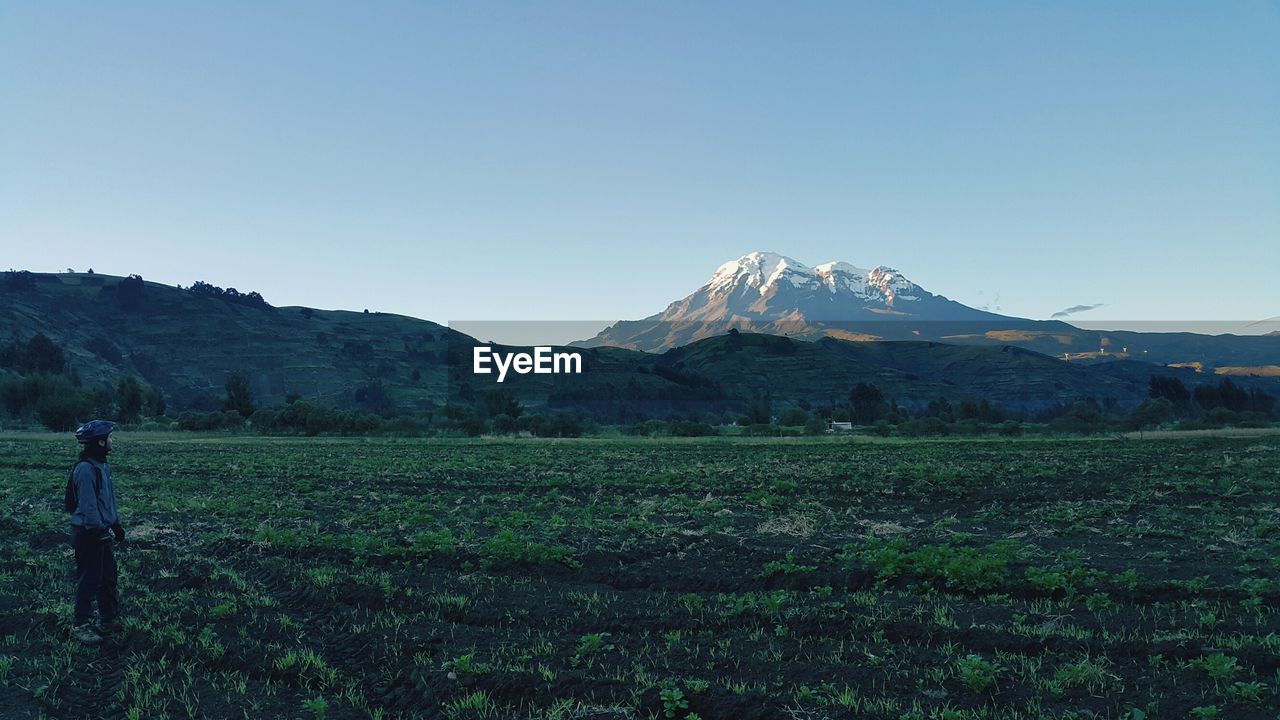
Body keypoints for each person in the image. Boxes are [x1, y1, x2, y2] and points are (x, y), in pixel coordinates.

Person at [68, 419, 125, 645]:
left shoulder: (101, 465)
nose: (112, 440)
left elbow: (106, 501)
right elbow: (89, 506)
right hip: (88, 532)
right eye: (109, 437)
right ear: (100, 442)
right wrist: (99, 530)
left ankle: (107, 620)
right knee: (90, 579)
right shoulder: (85, 469)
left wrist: (116, 525)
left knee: (108, 578)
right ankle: (80, 624)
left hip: (101, 530)